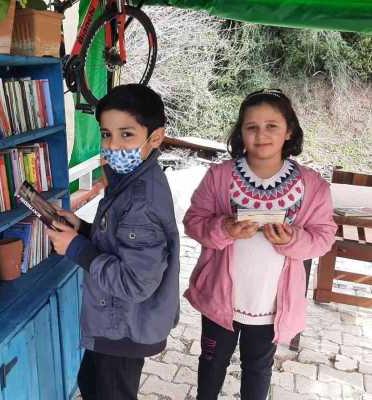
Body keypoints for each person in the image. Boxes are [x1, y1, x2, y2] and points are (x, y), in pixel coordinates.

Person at [183, 89, 337, 400]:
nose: (261, 134)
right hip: (220, 300)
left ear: (289, 131)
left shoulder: (312, 186)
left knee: (258, 370)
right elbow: (193, 221)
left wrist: (293, 239)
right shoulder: (220, 177)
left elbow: (323, 237)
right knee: (211, 364)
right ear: (241, 132)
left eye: (272, 126)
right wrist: (224, 228)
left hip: (270, 307)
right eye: (251, 126)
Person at [46, 84, 180, 400]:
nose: (114, 145)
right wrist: (81, 228)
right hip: (117, 324)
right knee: (91, 383)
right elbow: (119, 240)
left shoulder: (140, 201)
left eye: (127, 134)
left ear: (155, 137)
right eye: (107, 134)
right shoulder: (131, 180)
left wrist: (76, 248)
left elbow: (134, 283)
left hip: (125, 328)